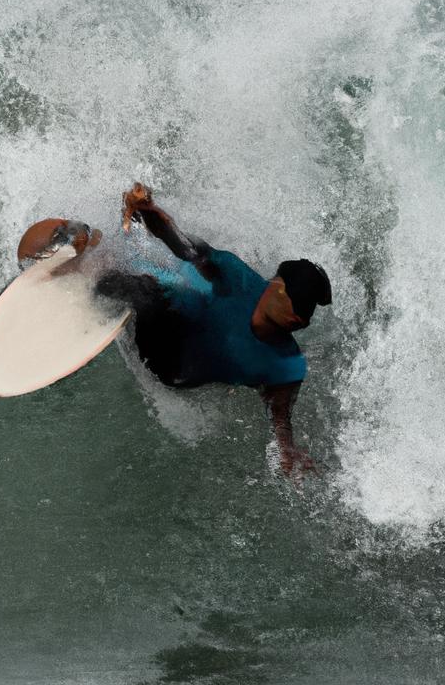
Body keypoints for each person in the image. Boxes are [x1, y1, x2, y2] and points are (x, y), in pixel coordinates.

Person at [18, 184, 331, 479]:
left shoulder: (287, 365)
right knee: (151, 280)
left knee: (150, 290)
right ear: (275, 288)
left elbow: (279, 413)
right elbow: (185, 247)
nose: (301, 317)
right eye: (298, 303)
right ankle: (88, 260)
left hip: (168, 367)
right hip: (171, 307)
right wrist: (152, 211)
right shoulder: (238, 278)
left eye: (307, 311)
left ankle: (96, 266)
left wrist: (287, 450)